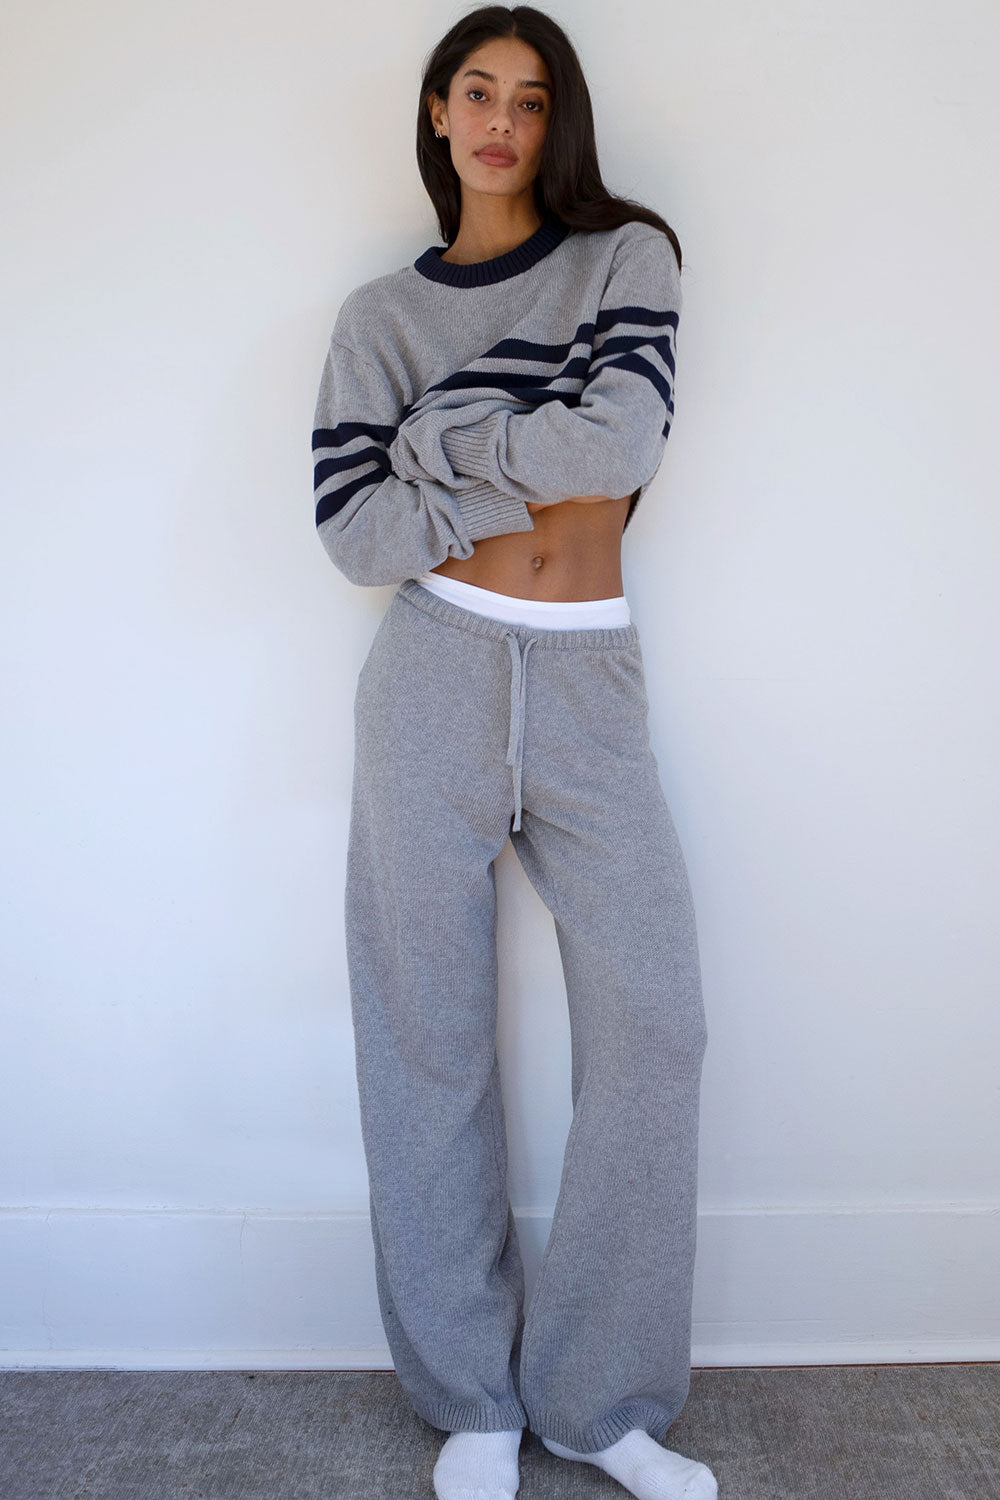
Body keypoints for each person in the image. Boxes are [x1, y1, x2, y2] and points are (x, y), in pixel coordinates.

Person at [311, 8, 715, 1499]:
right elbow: (356, 533)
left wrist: (444, 446)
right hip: (432, 670)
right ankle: (470, 1397)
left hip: (589, 678)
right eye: (475, 93)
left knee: (656, 1021)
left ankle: (599, 1404)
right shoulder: (379, 319)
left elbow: (620, 448)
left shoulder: (625, 260)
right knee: (426, 1035)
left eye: (530, 100)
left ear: (558, 124)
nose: (501, 121)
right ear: (436, 114)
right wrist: (514, 456)